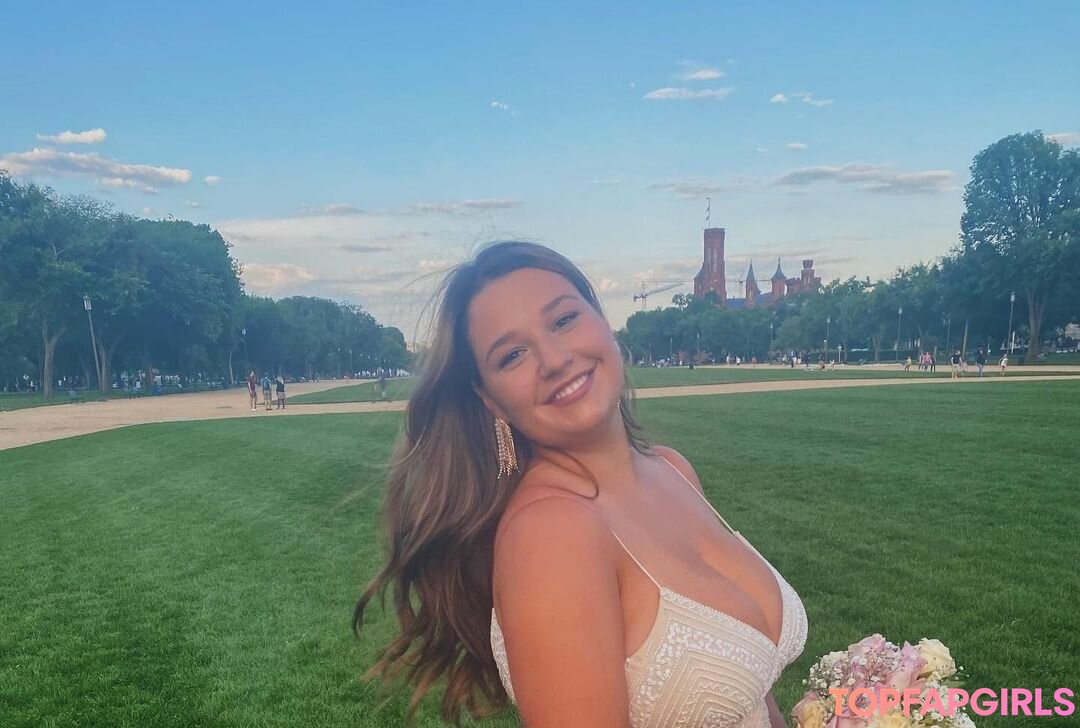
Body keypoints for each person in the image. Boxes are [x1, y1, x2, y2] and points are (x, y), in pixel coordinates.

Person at [353, 242, 807, 728]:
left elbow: (756, 696)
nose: (553, 359)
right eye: (512, 355)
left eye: (564, 319)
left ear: (602, 320)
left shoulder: (673, 470)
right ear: (491, 400)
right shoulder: (550, 534)